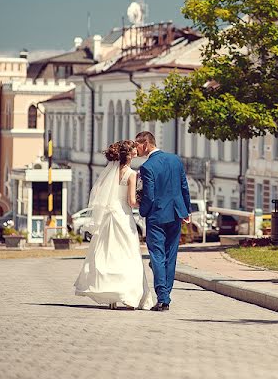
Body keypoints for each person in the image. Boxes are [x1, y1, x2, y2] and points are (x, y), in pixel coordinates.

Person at [75, 140, 155, 310]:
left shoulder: (110, 173)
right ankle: (128, 295)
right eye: (134, 150)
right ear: (131, 155)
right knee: (128, 254)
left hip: (109, 215)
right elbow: (131, 201)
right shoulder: (132, 174)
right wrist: (144, 201)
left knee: (108, 253)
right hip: (123, 216)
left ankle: (111, 296)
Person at [136, 130, 191, 312]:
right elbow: (184, 186)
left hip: (157, 217)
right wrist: (187, 210)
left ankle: (162, 298)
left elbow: (149, 196)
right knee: (170, 256)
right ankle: (166, 295)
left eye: (137, 145)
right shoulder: (175, 160)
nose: (136, 149)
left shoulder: (147, 167)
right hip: (175, 214)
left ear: (146, 144)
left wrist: (142, 211)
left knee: (158, 256)